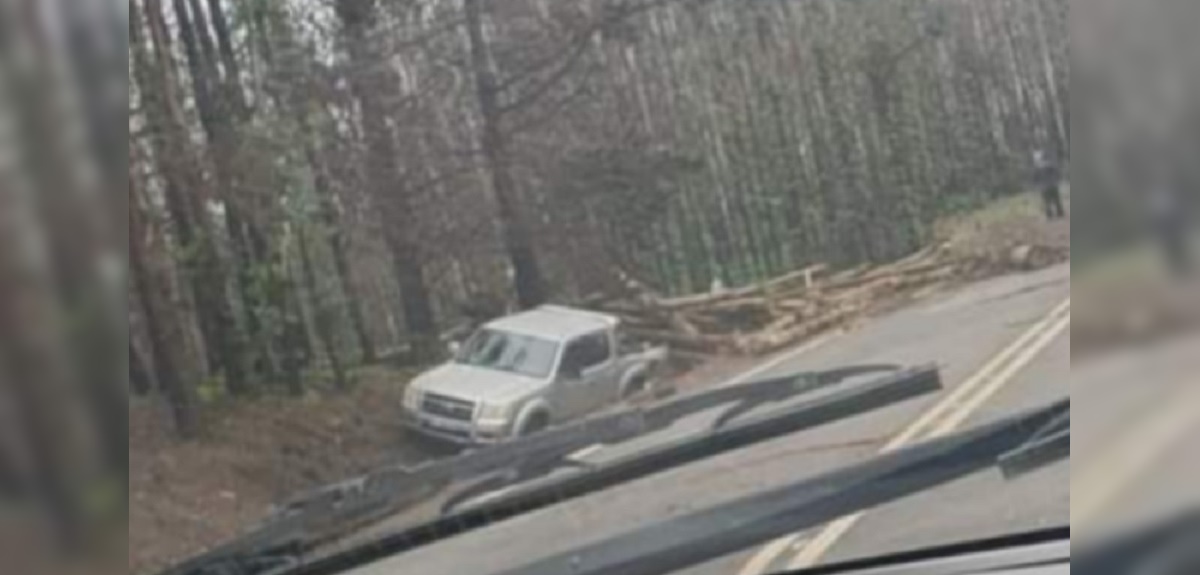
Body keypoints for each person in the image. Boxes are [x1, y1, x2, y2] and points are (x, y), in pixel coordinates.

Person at [1034, 150, 1066, 220]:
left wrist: (1037, 185)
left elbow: (1035, 178)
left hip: (1044, 187)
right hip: (1053, 185)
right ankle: (1060, 213)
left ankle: (1050, 215)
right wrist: (1057, 180)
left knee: (1047, 201)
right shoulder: (1051, 164)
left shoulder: (1038, 168)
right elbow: (1057, 173)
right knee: (1056, 200)